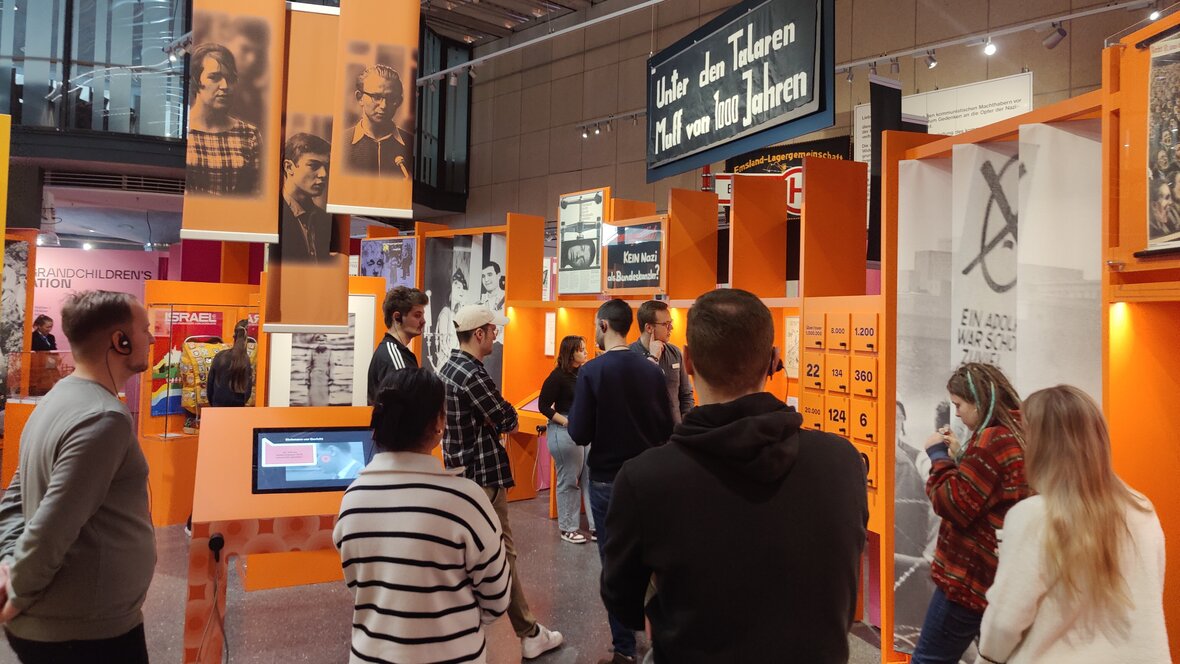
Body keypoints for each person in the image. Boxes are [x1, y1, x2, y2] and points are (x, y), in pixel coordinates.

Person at [599, 288, 868, 664]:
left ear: (689, 361)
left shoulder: (644, 480)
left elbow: (623, 604)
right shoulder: (843, 462)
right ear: (773, 361)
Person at [0, 290, 156, 662]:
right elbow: (54, 524)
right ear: (120, 340)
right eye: (144, 329)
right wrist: (16, 592)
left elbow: (15, 499)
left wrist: (6, 564)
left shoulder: (59, 397)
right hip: (85, 633)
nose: (151, 338)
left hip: (77, 624)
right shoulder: (104, 418)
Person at [974, 386, 1169, 664]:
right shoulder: (1142, 508)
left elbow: (1004, 623)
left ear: (1040, 443)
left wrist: (988, 656)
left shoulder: (1033, 516)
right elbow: (1149, 591)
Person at [335, 368, 511, 664]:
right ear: (439, 423)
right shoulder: (466, 500)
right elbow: (497, 597)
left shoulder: (352, 499)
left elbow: (357, 584)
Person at [439, 305, 563, 659]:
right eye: (493, 330)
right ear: (479, 334)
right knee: (502, 554)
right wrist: (500, 418)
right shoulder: (473, 375)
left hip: (460, 473)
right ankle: (528, 631)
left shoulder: (448, 368)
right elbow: (506, 417)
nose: (497, 335)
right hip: (484, 476)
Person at [567, 299, 673, 664]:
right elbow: (665, 428)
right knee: (656, 561)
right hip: (648, 480)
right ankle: (662, 642)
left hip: (607, 480)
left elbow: (579, 432)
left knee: (615, 563)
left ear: (602, 326)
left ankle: (625, 649)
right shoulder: (652, 372)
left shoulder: (592, 372)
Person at [911, 363, 1030, 664]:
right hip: (995, 575)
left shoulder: (991, 442)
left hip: (968, 579)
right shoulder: (1019, 432)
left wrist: (937, 455)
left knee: (929, 659)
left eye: (959, 405)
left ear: (981, 401)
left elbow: (953, 504)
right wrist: (962, 456)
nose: (958, 413)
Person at [538, 335, 594, 544]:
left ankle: (595, 526)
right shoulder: (557, 377)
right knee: (569, 479)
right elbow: (544, 406)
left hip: (584, 428)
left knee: (590, 477)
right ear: (571, 353)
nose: (585, 352)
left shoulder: (584, 374)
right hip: (565, 429)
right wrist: (567, 423)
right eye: (581, 349)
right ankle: (568, 528)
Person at [186, 43, 261, 196]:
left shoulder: (248, 134)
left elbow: (255, 195)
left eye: (230, 78)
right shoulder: (184, 129)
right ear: (195, 80)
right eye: (214, 77)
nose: (225, 86)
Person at [630, 300, 694, 425]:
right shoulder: (628, 355)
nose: (671, 328)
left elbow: (686, 394)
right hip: (643, 435)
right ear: (649, 328)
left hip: (674, 433)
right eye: (666, 324)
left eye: (671, 323)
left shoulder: (675, 352)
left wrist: (687, 427)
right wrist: (654, 358)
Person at [345, 64, 413, 178]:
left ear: (399, 102)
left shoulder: (411, 144)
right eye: (376, 97)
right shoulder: (340, 144)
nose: (384, 105)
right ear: (359, 97)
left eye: (391, 98)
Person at [366, 286, 428, 405]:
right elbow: (407, 407)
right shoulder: (393, 357)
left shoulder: (394, 351)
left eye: (422, 315)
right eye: (417, 315)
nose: (423, 321)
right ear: (397, 317)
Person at [279, 133, 333, 264]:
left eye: (326, 167)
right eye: (314, 166)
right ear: (289, 167)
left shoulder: (326, 220)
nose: (323, 174)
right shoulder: (272, 216)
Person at [206, 319, 253, 407]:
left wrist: (213, 405)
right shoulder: (246, 360)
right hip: (238, 411)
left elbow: (210, 388)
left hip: (218, 409)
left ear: (234, 336)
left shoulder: (220, 356)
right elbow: (248, 392)